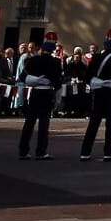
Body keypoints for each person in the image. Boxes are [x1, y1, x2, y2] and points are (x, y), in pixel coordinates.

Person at [80, 30, 111, 161]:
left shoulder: (96, 57)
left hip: (99, 93)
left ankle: (85, 152)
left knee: (93, 123)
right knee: (110, 124)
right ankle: (108, 152)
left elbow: (87, 76)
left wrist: (97, 83)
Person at [17, 32, 65, 160]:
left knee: (29, 122)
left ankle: (23, 150)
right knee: (44, 123)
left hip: (35, 92)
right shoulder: (55, 62)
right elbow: (58, 82)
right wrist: (57, 99)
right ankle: (41, 150)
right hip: (47, 92)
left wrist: (35, 80)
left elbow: (23, 77)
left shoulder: (32, 60)